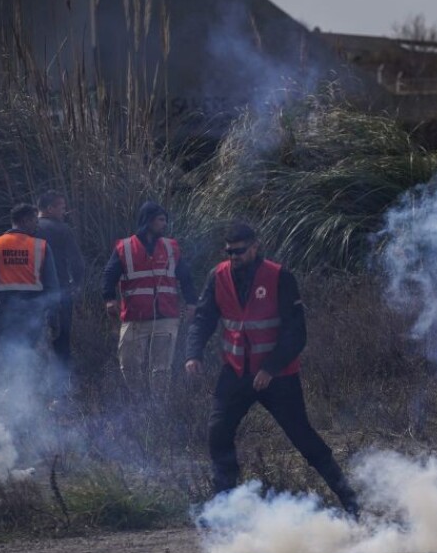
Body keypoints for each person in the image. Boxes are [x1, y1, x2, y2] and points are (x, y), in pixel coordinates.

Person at [185, 222, 359, 516]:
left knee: (303, 437)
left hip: (278, 377)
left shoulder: (280, 277)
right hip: (236, 373)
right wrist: (193, 354)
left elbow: (296, 333)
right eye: (229, 252)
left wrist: (270, 368)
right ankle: (224, 509)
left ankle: (349, 499)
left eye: (240, 251)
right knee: (218, 434)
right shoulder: (218, 276)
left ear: (255, 247)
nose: (234, 257)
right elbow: (203, 319)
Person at [102, 202, 197, 391]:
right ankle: (138, 401)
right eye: (161, 220)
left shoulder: (171, 247)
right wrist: (109, 298)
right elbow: (109, 274)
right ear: (148, 220)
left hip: (166, 316)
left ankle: (158, 405)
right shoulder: (125, 247)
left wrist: (192, 303)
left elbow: (186, 276)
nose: (164, 224)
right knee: (129, 365)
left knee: (161, 369)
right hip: (134, 318)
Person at [0, 203, 60, 357]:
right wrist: (53, 320)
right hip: (33, 315)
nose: (37, 225)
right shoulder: (41, 246)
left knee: (9, 358)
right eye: (35, 221)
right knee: (29, 357)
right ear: (25, 220)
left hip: (5, 315)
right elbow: (52, 288)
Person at [35, 190, 85, 385]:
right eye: (62, 208)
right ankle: (61, 390)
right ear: (50, 208)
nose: (65, 212)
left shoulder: (26, 229)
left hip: (30, 293)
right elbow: (77, 262)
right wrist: (76, 285)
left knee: (31, 342)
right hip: (60, 293)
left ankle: (33, 389)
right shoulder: (62, 229)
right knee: (61, 343)